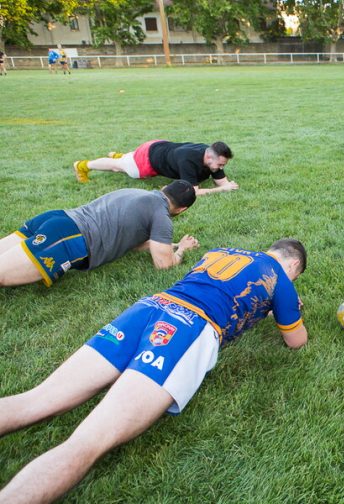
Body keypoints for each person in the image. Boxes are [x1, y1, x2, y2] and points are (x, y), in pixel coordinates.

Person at [0, 239, 308, 502]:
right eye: (295, 276)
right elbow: (296, 341)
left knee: (36, 399)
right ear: (293, 265)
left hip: (148, 308)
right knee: (88, 440)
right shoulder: (280, 277)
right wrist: (286, 303)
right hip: (188, 327)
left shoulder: (223, 251)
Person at [0, 180, 199, 288]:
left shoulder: (135, 192)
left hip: (57, 218)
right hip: (69, 238)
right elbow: (164, 265)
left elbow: (134, 242)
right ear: (182, 209)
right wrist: (181, 249)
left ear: (163, 188)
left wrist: (169, 245)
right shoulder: (162, 216)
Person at [73, 141, 238, 196]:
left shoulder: (211, 155)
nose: (221, 168)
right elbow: (193, 192)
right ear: (209, 157)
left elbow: (222, 181)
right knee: (118, 167)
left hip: (159, 146)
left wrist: (226, 185)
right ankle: (83, 165)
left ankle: (122, 156)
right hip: (146, 160)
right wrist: (222, 189)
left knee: (126, 161)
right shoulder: (188, 161)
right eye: (220, 165)